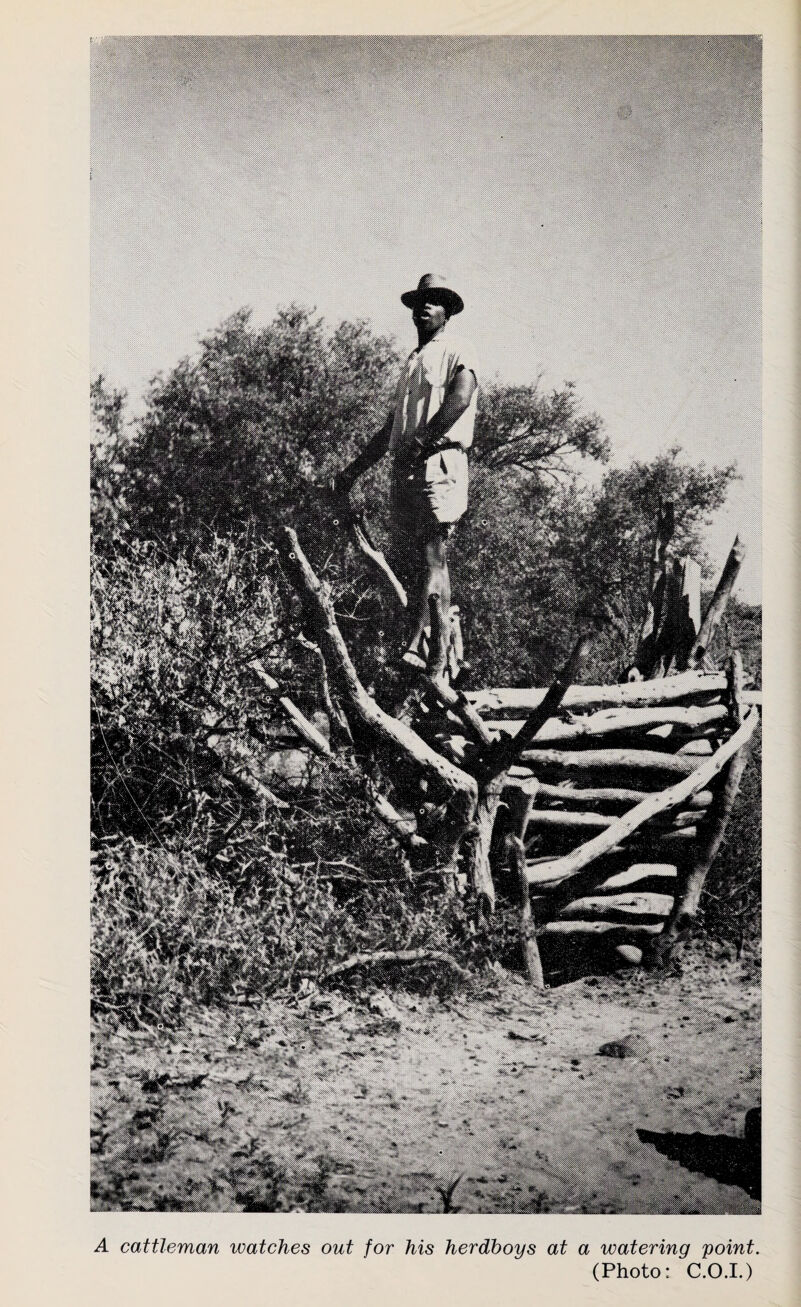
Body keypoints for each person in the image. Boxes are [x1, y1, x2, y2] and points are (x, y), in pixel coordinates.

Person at [332, 273, 478, 668]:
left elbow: (460, 398)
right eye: (419, 301)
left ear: (447, 312)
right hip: (407, 467)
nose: (423, 308)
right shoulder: (413, 361)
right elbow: (392, 427)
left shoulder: (457, 350)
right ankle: (435, 645)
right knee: (419, 560)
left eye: (433, 302)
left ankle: (419, 645)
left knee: (433, 554)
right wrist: (352, 472)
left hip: (438, 461)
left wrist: (421, 442)